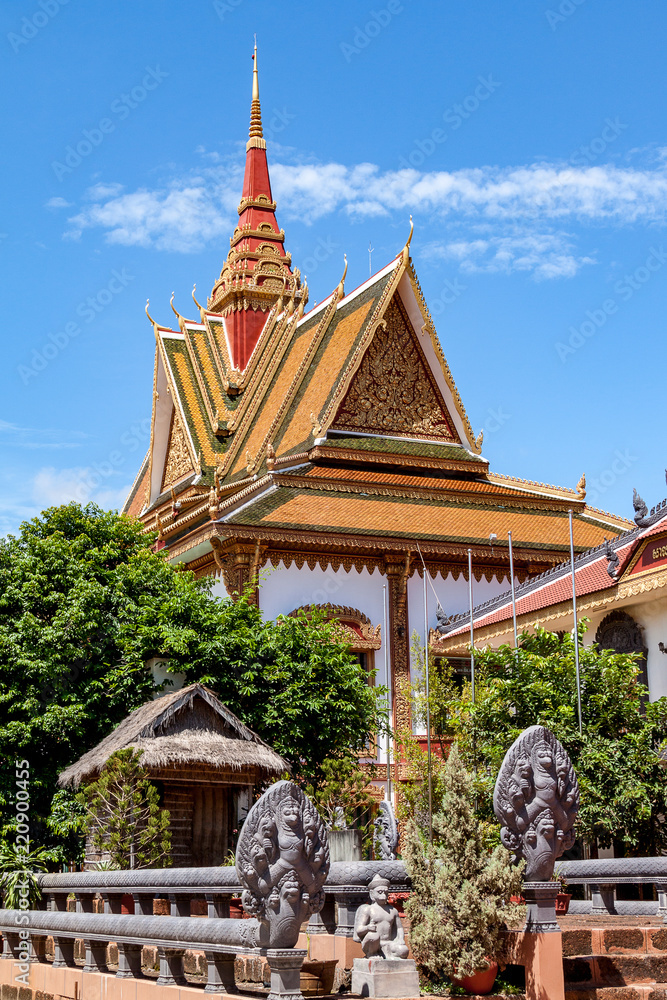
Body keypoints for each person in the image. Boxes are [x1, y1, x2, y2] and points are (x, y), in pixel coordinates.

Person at [353, 874, 409, 959]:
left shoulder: (393, 910)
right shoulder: (368, 909)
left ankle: (387, 955)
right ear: (372, 894)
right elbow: (359, 930)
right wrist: (368, 928)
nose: (383, 894)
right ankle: (372, 954)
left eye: (386, 892)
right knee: (373, 936)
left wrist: (401, 939)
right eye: (380, 892)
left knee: (403, 951)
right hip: (373, 943)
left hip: (388, 943)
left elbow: (399, 928)